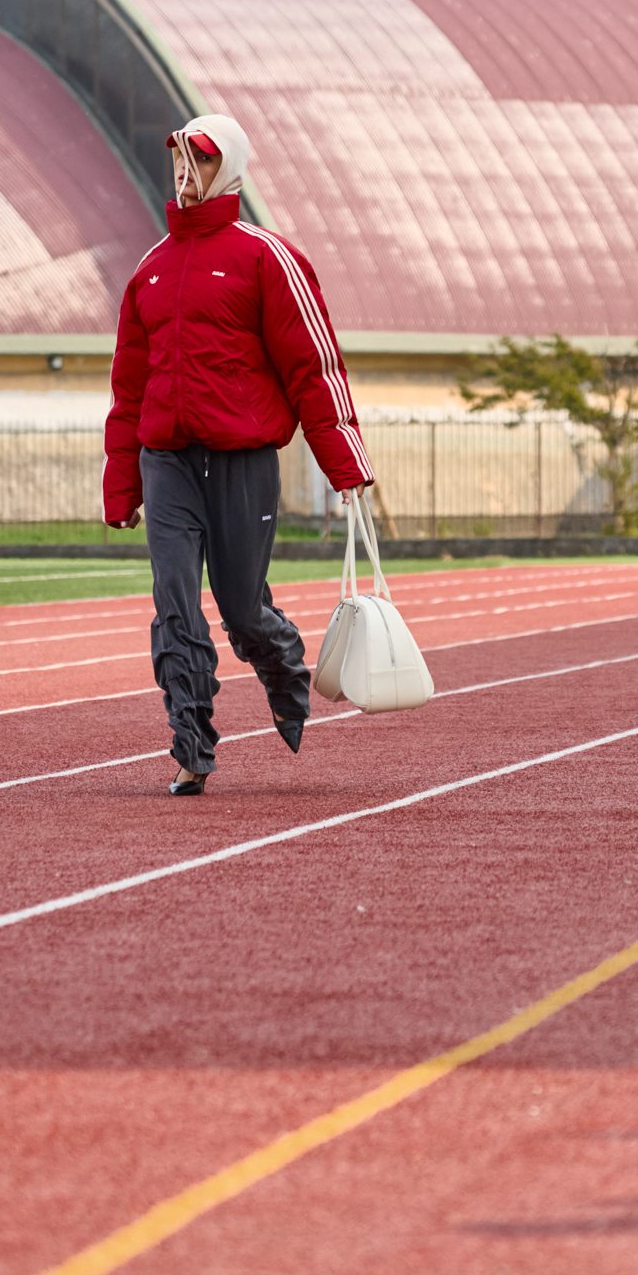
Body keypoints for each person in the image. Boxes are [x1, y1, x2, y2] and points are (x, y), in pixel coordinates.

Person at [104, 115, 374, 796]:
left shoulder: (265, 256)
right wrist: (122, 484)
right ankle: (191, 741)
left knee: (241, 606)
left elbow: (314, 368)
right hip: (165, 462)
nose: (183, 173)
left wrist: (345, 466)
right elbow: (129, 385)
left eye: (197, 160)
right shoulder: (150, 271)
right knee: (175, 603)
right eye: (178, 161)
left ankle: (282, 663)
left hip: (243, 460)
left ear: (226, 168)